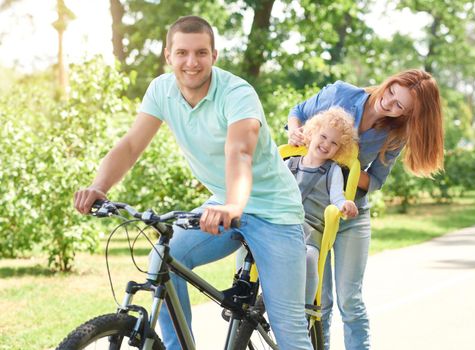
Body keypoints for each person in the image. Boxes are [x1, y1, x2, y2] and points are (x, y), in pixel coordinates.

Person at [74, 15, 313, 350]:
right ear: (168, 56)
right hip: (224, 202)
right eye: (182, 53)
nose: (191, 62)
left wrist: (232, 205)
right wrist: (99, 187)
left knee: (289, 330)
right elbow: (130, 146)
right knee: (163, 258)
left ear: (214, 56)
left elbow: (240, 151)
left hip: (274, 212)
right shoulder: (161, 90)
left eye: (201, 52)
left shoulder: (237, 93)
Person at [287, 69, 444, 350]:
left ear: (408, 115)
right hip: (313, 216)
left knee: (350, 300)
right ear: (392, 80)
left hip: (352, 214)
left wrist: (341, 162)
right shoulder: (341, 94)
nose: (389, 103)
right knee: (319, 300)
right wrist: (296, 131)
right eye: (392, 92)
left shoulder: (395, 134)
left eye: (400, 106)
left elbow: (376, 180)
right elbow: (297, 111)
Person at [284, 107, 359, 307]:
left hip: (311, 229)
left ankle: (305, 308)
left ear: (339, 149)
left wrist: (345, 204)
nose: (326, 144)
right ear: (311, 133)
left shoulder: (332, 170)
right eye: (323, 136)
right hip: (283, 224)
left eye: (334, 143)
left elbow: (337, 197)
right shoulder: (289, 164)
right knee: (246, 238)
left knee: (309, 258)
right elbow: (272, 190)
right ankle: (242, 290)